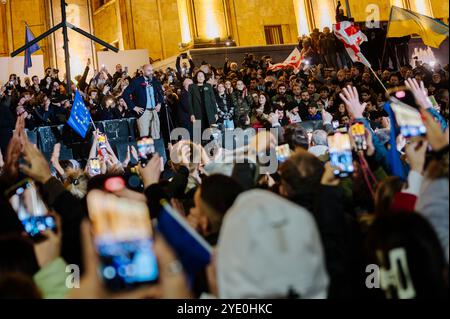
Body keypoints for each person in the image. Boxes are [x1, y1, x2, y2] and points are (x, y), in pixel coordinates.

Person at [123, 64, 164, 139]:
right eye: (149, 70)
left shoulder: (155, 80)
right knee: (145, 137)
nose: (151, 72)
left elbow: (161, 92)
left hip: (154, 111)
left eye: (152, 70)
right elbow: (125, 94)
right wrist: (134, 107)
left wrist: (159, 103)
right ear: (143, 71)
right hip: (143, 112)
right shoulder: (137, 81)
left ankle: (156, 150)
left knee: (156, 136)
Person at [188, 71, 218, 136]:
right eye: (198, 76)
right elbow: (189, 102)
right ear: (196, 77)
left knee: (213, 134)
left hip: (209, 113)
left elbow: (213, 100)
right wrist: (192, 114)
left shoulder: (208, 86)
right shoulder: (191, 87)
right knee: (198, 136)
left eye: (202, 76)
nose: (200, 77)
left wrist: (215, 112)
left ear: (204, 78)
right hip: (197, 114)